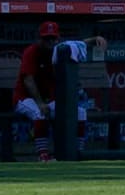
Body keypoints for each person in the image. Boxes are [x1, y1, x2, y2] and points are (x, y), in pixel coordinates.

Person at [13, 21, 106, 162]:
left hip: (48, 99)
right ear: (39, 39)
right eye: (46, 38)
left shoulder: (60, 50)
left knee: (80, 112)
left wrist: (94, 39)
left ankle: (78, 152)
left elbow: (78, 44)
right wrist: (39, 103)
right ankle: (43, 155)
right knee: (39, 113)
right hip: (25, 98)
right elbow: (28, 80)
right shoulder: (32, 52)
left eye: (53, 38)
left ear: (57, 38)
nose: (50, 42)